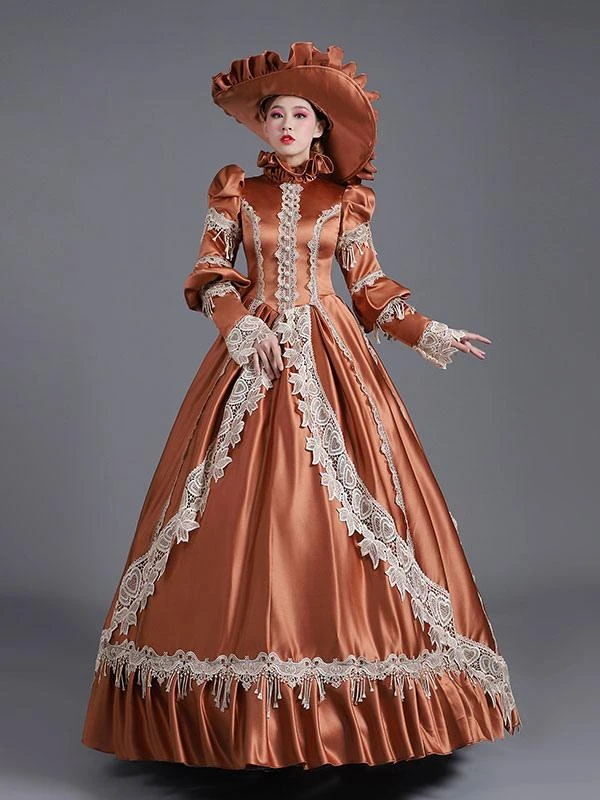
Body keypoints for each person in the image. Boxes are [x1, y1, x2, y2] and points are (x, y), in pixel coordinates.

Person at [81, 41, 521, 770]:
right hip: (253, 356)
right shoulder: (235, 192)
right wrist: (238, 325)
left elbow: (368, 289)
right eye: (275, 114)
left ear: (320, 127)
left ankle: (353, 709)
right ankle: (238, 709)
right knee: (225, 511)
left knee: (350, 511)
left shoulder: (346, 201)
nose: (286, 125)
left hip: (332, 355)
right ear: (261, 126)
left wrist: (430, 332)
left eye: (299, 115)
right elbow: (211, 273)